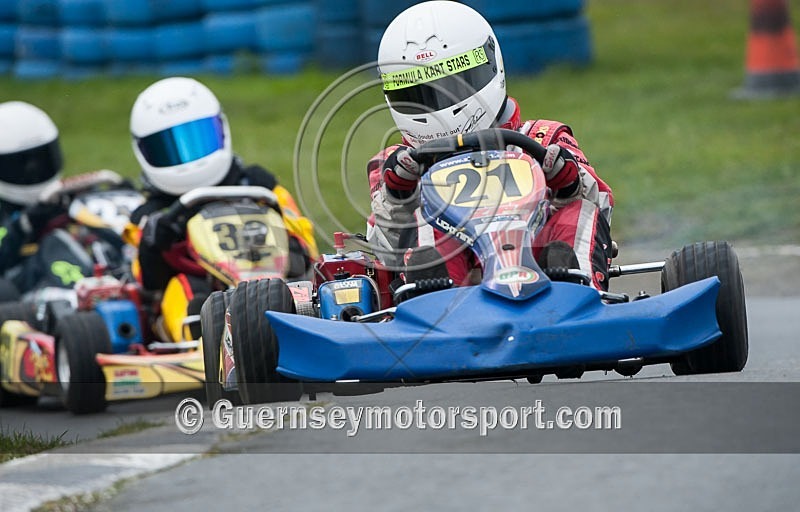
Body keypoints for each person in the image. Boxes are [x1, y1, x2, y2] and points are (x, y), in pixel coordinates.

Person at [366, 1, 613, 290]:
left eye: (456, 85)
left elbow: (601, 207)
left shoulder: (543, 139)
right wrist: (399, 195)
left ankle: (580, 293)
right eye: (419, 94)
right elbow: (384, 246)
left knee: (579, 209)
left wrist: (567, 183)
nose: (440, 106)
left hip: (540, 269)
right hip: (452, 302)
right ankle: (432, 303)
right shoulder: (398, 164)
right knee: (423, 218)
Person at [129, 77, 318, 341]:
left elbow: (309, 249)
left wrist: (292, 243)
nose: (189, 158)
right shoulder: (149, 215)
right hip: (203, 293)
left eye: (198, 138)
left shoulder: (260, 188)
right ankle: (206, 342)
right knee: (184, 292)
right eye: (169, 147)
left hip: (272, 281)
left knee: (308, 281)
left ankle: (304, 320)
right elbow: (146, 282)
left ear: (221, 130)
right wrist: (155, 243)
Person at [0, 101, 73, 297]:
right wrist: (22, 225)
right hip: (26, 285)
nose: (35, 170)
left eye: (41, 158)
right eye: (22, 163)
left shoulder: (63, 197)